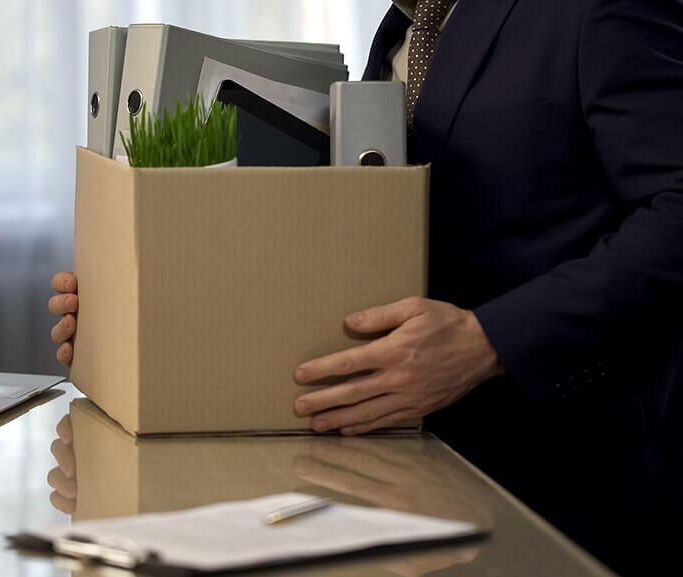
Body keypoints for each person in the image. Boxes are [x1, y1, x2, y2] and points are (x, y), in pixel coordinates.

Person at [50, 1, 682, 574]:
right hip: (408, 482)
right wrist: (139, 302)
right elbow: (375, 235)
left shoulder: (594, 9)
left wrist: (491, 340)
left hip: (571, 486)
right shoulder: (401, 29)